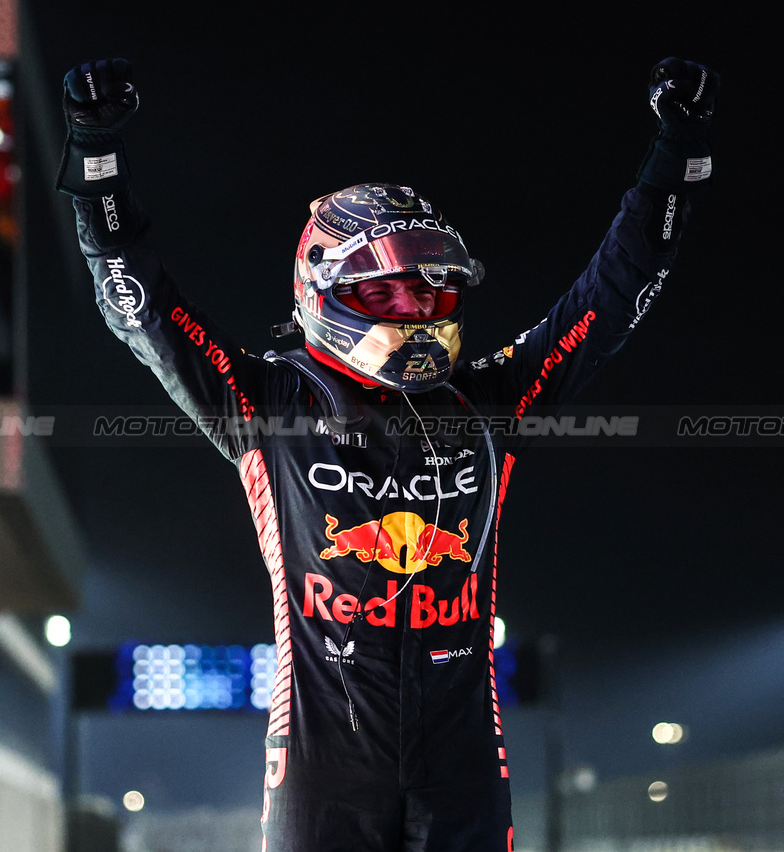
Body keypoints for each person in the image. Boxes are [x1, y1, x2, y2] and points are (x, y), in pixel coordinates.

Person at [57, 55, 719, 852]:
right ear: (321, 291)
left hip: (463, 761)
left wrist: (677, 155)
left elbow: (612, 296)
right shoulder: (265, 404)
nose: (412, 309)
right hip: (321, 765)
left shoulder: (488, 404)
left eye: (430, 291)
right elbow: (138, 305)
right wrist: (96, 155)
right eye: (384, 293)